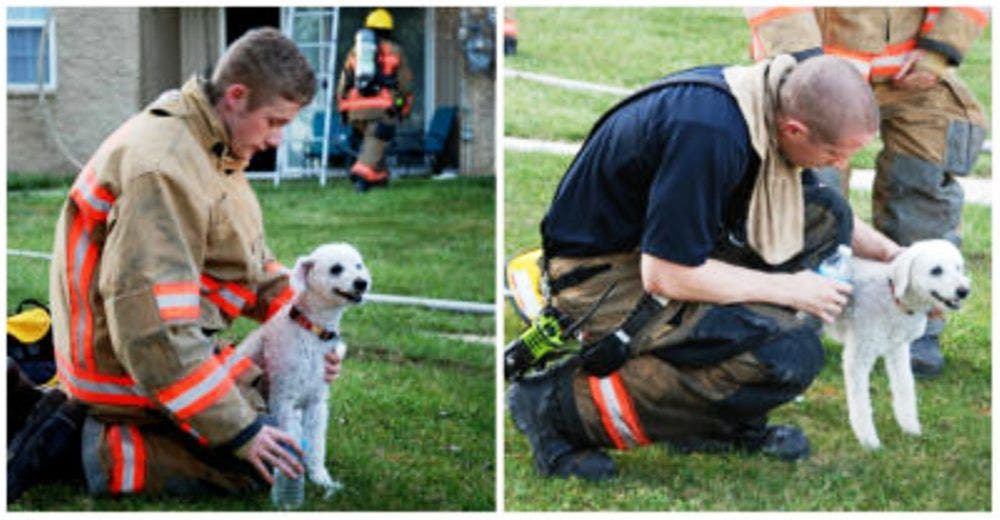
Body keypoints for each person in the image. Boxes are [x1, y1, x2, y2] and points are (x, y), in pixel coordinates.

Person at [508, 55, 903, 482]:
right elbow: (666, 275)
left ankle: (715, 419)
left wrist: (897, 259)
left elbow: (808, 201)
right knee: (786, 353)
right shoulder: (709, 133)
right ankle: (554, 407)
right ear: (795, 130)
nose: (839, 165)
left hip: (649, 251)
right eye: (833, 153)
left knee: (826, 217)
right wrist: (789, 289)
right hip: (602, 275)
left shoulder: (761, 97)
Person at [8, 27, 345, 501]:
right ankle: (87, 446)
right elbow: (154, 330)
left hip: (149, 349)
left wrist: (310, 325)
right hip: (120, 365)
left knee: (271, 408)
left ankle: (31, 405)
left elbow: (246, 268)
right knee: (264, 463)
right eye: (274, 122)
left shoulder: (207, 145)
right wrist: (242, 434)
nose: (277, 139)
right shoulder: (164, 168)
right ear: (236, 96)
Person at [743, 7, 989, 376]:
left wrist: (941, 49)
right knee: (810, 196)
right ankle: (798, 320)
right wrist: (809, 67)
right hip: (815, 72)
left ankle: (916, 323)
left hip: (915, 76)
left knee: (923, 185)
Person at [336, 8, 414, 192]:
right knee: (380, 136)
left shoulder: (355, 52)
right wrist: (404, 107)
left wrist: (343, 109)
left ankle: (379, 177)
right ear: (389, 30)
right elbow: (405, 85)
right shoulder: (395, 51)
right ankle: (361, 173)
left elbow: (343, 82)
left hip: (355, 109)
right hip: (381, 108)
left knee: (376, 143)